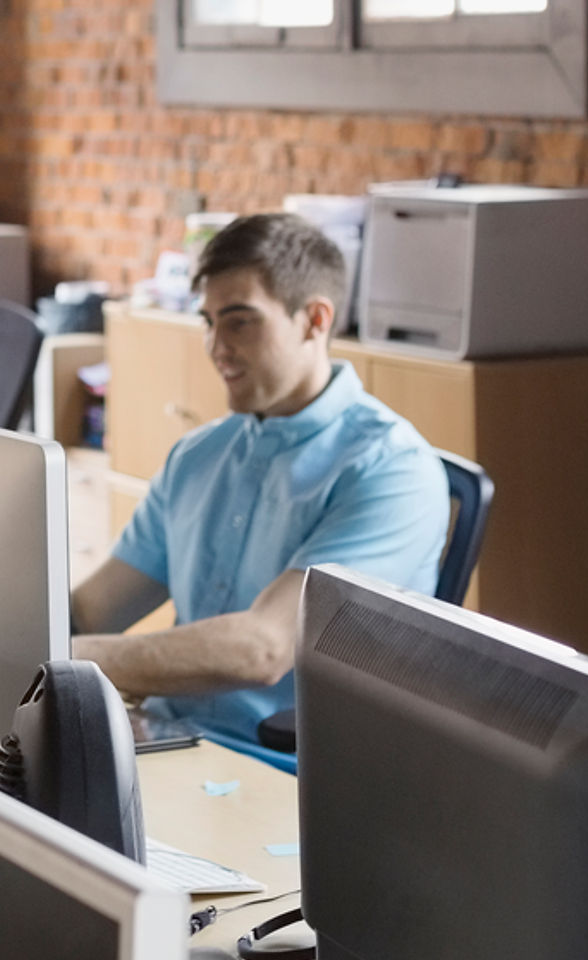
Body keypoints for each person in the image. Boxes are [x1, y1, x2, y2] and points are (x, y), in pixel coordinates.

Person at [66, 211, 448, 752]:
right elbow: (94, 608)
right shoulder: (199, 455)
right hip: (171, 742)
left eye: (240, 320)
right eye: (208, 321)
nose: (216, 346)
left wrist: (68, 662)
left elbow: (263, 649)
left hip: (292, 777)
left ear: (315, 320)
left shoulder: (392, 470)